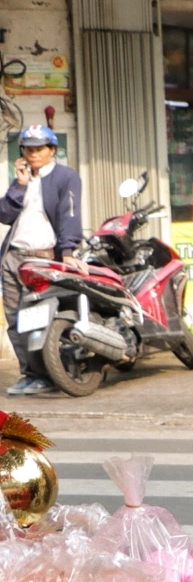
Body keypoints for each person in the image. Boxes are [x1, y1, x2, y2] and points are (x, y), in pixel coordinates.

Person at [0, 125, 81, 396]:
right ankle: (30, 374)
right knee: (14, 320)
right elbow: (4, 214)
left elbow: (69, 213)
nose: (33, 154)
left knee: (37, 318)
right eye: (27, 149)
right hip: (12, 257)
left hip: (42, 258)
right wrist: (20, 184)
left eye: (38, 149)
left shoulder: (65, 176)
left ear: (52, 151)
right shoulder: (22, 179)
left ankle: (46, 374)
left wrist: (68, 251)